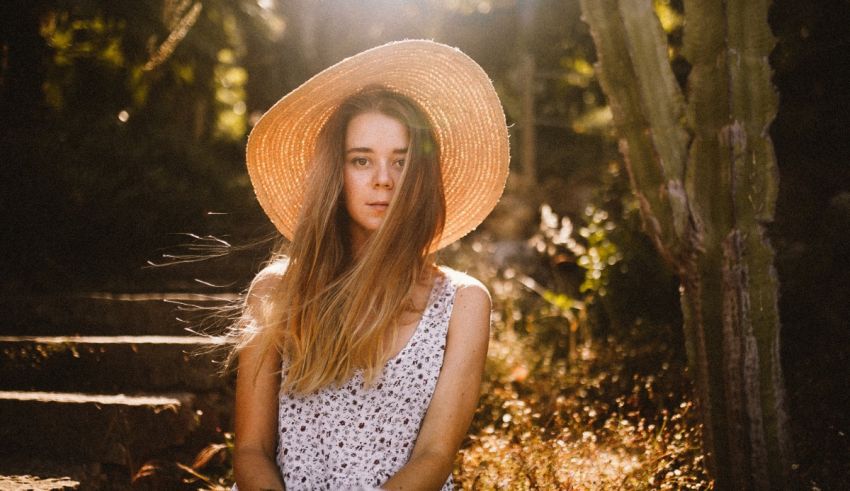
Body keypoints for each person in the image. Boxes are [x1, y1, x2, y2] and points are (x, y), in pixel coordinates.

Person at [229, 40, 510, 490]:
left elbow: (435, 456)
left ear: (419, 176)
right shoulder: (276, 292)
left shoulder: (462, 302)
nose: (383, 179)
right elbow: (250, 451)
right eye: (362, 160)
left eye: (400, 161)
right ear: (335, 173)